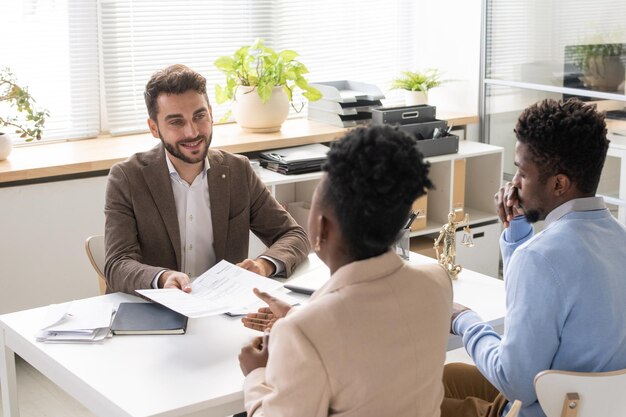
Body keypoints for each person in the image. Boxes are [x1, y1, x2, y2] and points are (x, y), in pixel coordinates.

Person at [237, 125, 453, 417]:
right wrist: (298, 318)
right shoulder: (437, 282)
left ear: (322, 227)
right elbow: (369, 344)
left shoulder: (305, 333)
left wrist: (256, 375)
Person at [443, 98, 626, 417]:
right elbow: (543, 282)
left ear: (559, 184)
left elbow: (515, 384)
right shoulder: (619, 238)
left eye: (522, 173)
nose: (513, 184)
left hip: (547, 409)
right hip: (594, 406)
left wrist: (465, 320)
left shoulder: (540, 258)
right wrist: (518, 229)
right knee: (448, 376)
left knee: (409, 397)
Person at [104, 64, 310, 294]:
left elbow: (294, 235)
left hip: (223, 310)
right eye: (176, 122)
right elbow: (117, 264)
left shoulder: (237, 171)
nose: (192, 132)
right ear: (154, 127)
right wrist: (162, 278)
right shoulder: (127, 178)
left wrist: (263, 265)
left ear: (210, 114)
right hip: (157, 310)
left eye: (199, 116)